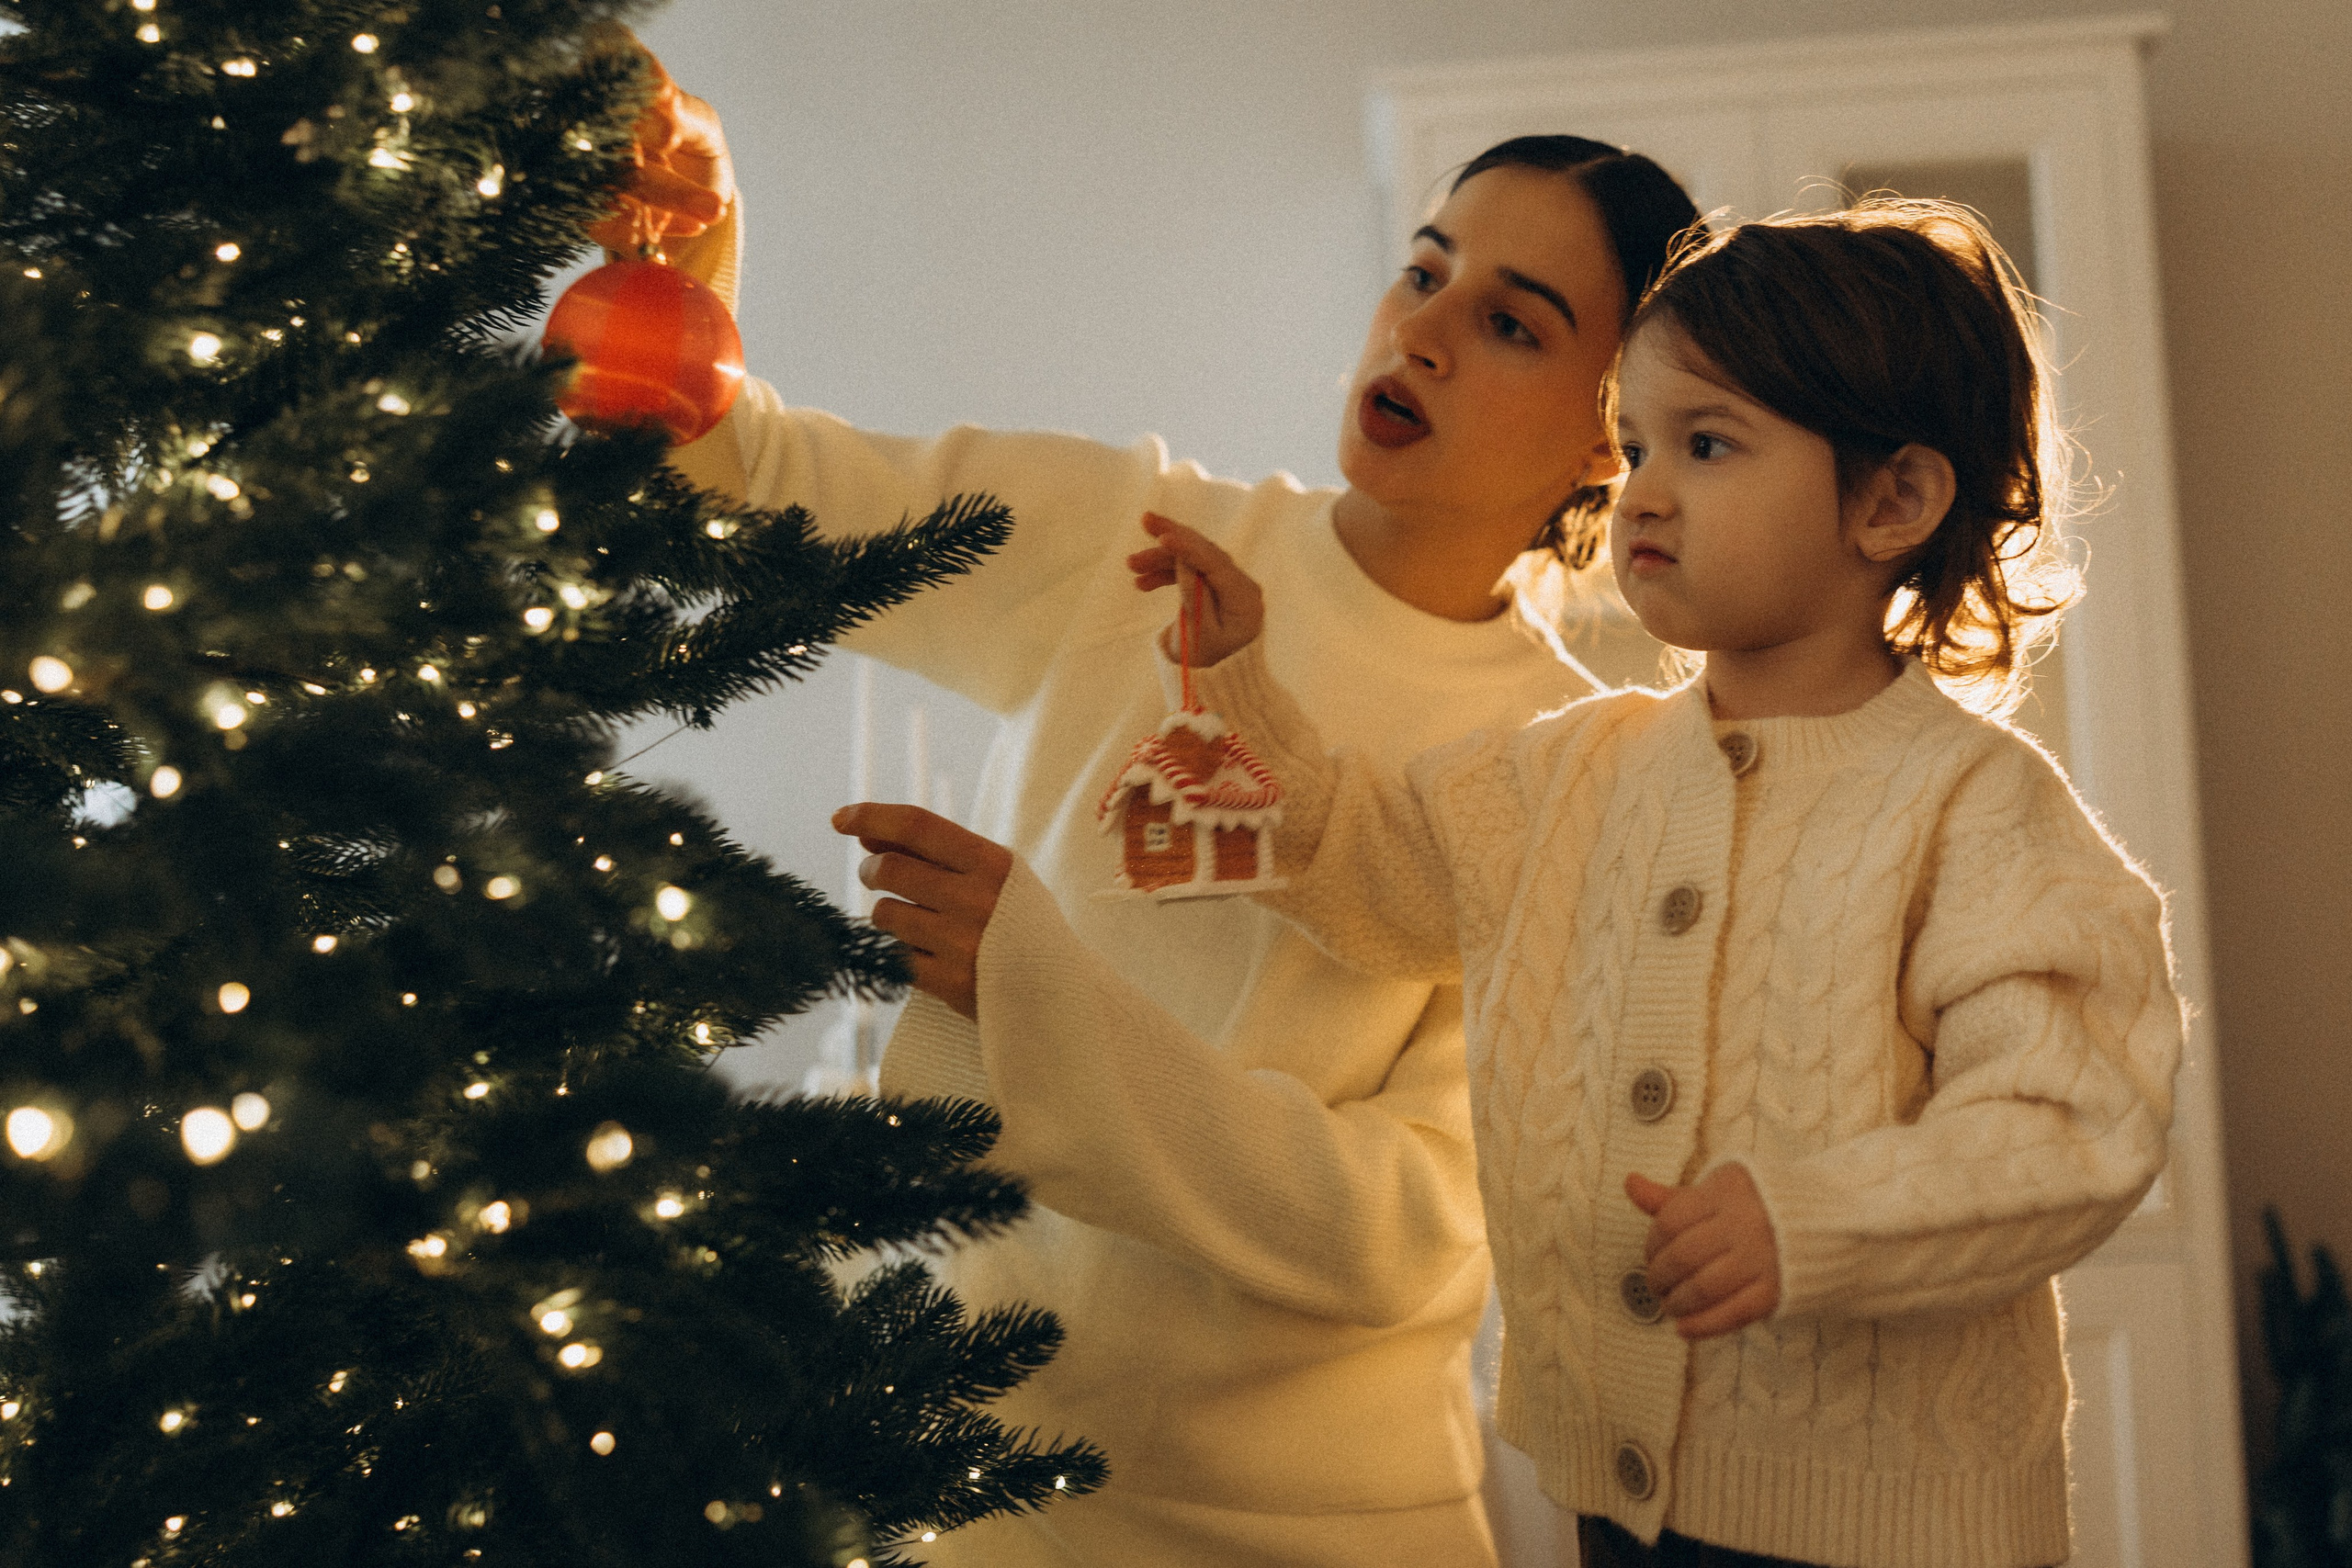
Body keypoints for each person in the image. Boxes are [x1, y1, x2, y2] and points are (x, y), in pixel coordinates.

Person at [598, 44, 1702, 1568]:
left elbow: (1415, 1230)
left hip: (1307, 1528)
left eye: (1512, 322)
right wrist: (673, 292)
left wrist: (1032, 995)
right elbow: (750, 485)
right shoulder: (1143, 540)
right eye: (1424, 273)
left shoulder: (1577, 774)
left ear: (1610, 432)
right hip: (953, 1468)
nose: (1426, 333)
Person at [1135, 201, 2183, 1568]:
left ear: (1892, 500)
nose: (1643, 490)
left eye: (1708, 444)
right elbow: (1372, 867)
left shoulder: (1973, 811)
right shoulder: (1571, 771)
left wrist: (1812, 1220)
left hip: (1897, 1533)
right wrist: (1238, 689)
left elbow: (2068, 1126)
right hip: (1617, 1505)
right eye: (1635, 446)